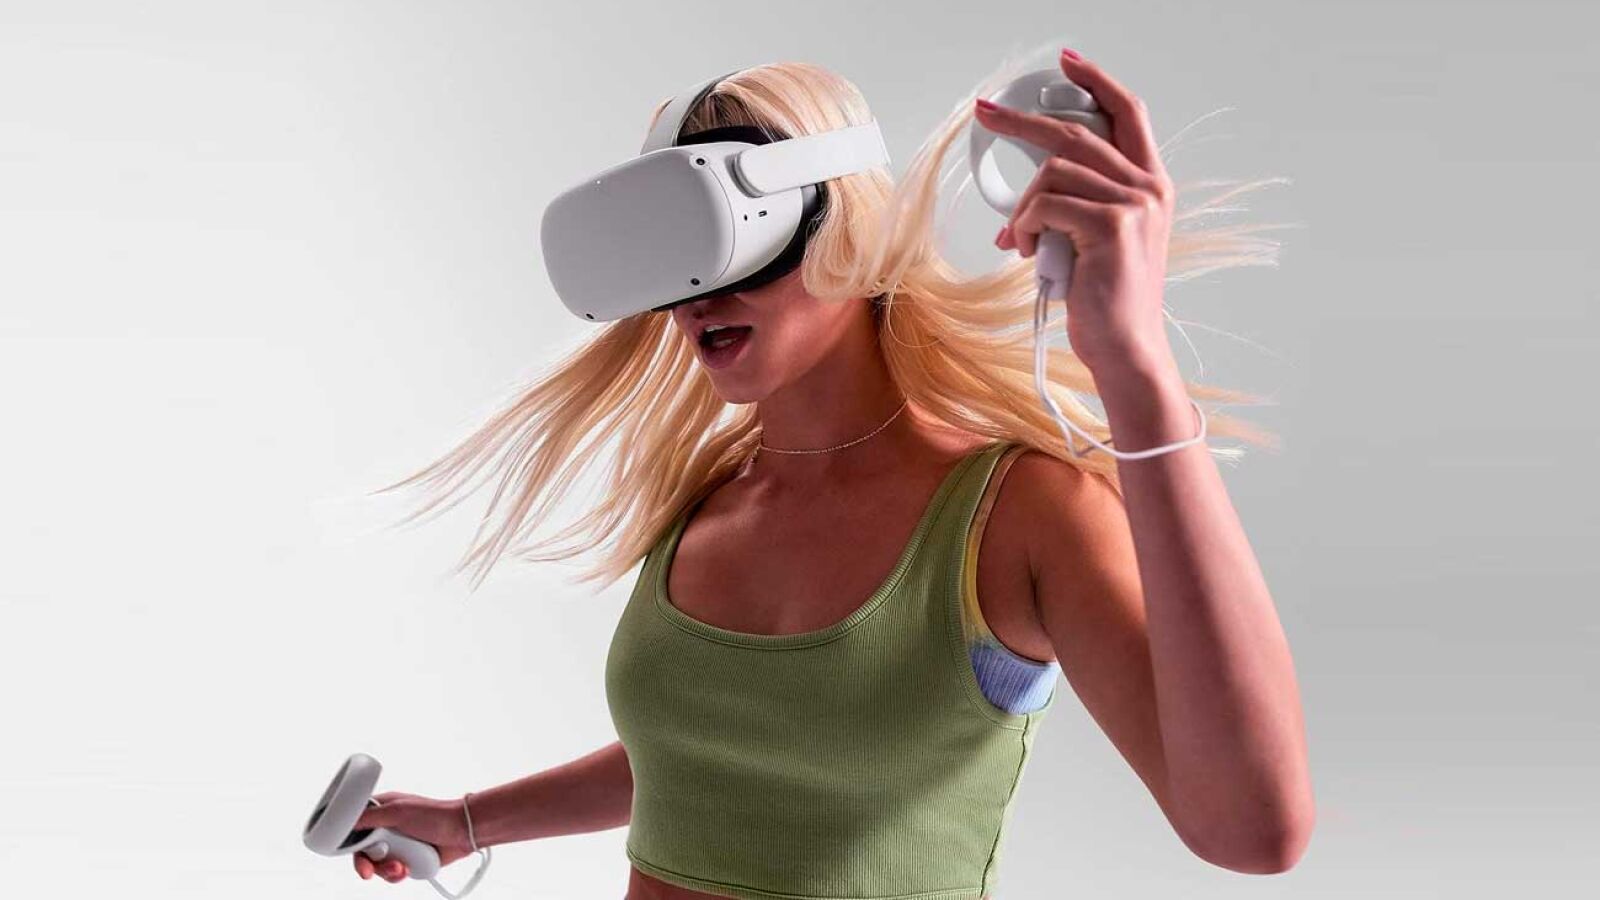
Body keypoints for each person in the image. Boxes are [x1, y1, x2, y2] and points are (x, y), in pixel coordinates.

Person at [347, 45, 1313, 899]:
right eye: (672, 253)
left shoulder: (1019, 514)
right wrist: (468, 821)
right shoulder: (710, 502)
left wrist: (1136, 371)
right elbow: (717, 763)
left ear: (841, 223)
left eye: (731, 239)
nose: (698, 295)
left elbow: (1254, 833)